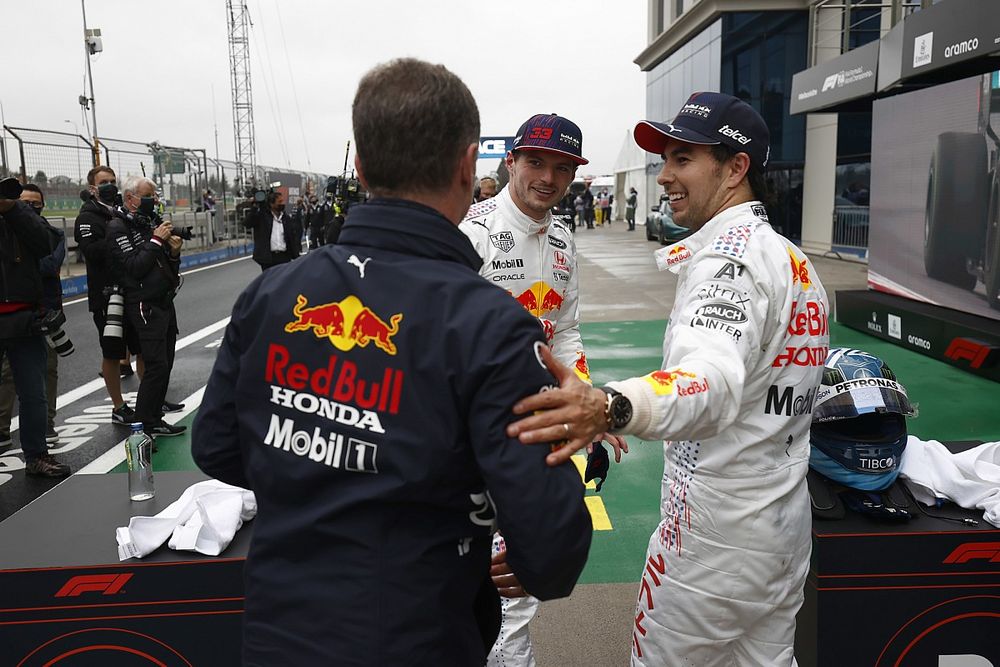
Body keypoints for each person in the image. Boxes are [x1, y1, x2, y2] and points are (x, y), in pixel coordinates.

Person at [191, 58, 591, 666]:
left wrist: (324, 473)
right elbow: (554, 547)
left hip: (280, 631)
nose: (549, 177)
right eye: (536, 162)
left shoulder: (272, 293)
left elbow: (217, 447)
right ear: (471, 164)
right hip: (419, 631)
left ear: (360, 167)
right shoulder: (490, 322)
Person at [505, 92, 830, 666]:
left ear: (735, 169)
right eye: (664, 161)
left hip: (711, 540)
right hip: (781, 533)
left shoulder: (726, 265)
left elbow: (711, 384)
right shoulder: (791, 259)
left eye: (683, 159)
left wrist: (607, 406)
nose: (665, 177)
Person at [460, 113, 626, 667]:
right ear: (511, 161)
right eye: (535, 162)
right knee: (465, 572)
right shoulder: (471, 231)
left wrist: (583, 401)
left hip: (537, 426)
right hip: (470, 431)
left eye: (562, 168)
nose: (548, 179)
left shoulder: (562, 238)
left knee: (520, 579)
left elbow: (567, 327)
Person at [0, 180, 69, 477]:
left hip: (26, 317)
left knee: (34, 392)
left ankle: (37, 455)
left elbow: (45, 244)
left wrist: (15, 209)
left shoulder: (22, 218)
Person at [107, 176, 186, 438]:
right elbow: (133, 267)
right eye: (148, 195)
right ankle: (142, 426)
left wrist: (173, 253)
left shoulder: (147, 223)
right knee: (156, 366)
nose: (153, 200)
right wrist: (155, 242)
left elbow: (167, 269)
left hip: (165, 301)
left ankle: (155, 419)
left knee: (167, 364)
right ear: (130, 198)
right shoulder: (119, 227)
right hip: (143, 304)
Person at [74, 166, 140, 424]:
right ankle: (118, 405)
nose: (110, 185)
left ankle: (150, 398)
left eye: (113, 181)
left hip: (132, 290)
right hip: (106, 295)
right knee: (112, 352)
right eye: (104, 182)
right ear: (92, 187)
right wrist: (119, 239)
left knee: (142, 347)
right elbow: (91, 251)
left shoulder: (122, 211)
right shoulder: (87, 217)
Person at [243, 188, 301, 271]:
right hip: (268, 258)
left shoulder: (286, 218)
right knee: (270, 282)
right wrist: (255, 207)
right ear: (271, 204)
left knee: (283, 282)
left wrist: (296, 255)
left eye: (283, 201)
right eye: (280, 202)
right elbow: (247, 223)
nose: (283, 204)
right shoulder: (262, 217)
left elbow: (291, 237)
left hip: (284, 257)